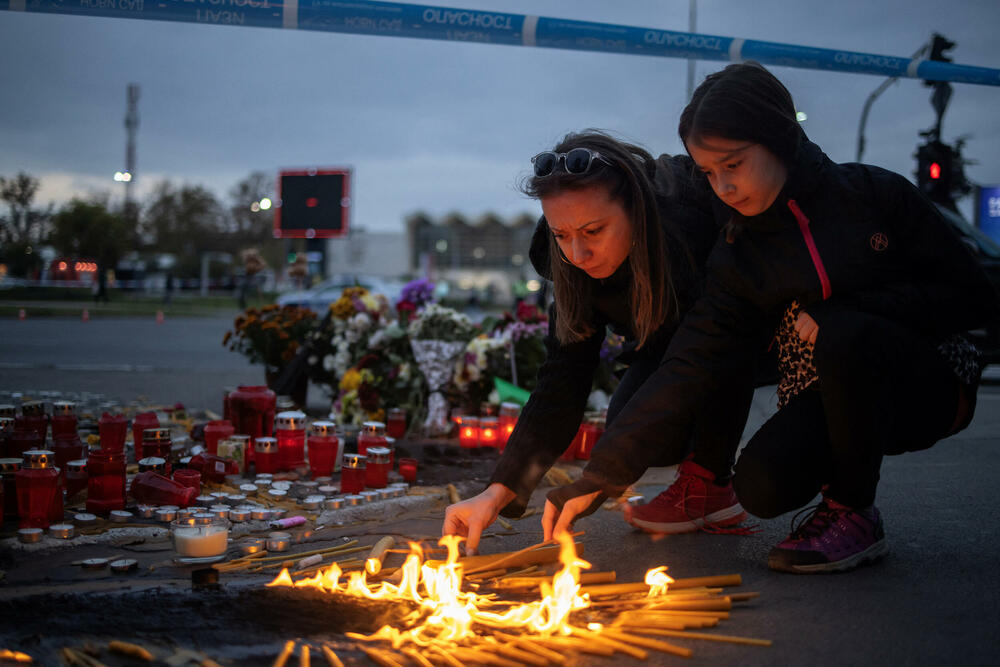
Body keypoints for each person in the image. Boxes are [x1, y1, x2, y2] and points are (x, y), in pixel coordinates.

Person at [544, 62, 999, 573]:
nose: (723, 188)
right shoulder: (741, 253)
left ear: (779, 137)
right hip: (829, 397)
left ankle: (854, 512)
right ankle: (816, 484)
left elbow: (975, 297)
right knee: (761, 487)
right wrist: (600, 477)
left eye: (733, 165)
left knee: (842, 332)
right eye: (709, 172)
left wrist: (859, 310)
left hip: (928, 386)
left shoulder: (875, 195)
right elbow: (692, 360)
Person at [443, 130, 758, 554]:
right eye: (561, 234)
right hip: (670, 347)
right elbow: (562, 377)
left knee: (766, 481)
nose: (578, 253)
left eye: (594, 230)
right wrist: (500, 489)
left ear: (636, 210)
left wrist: (602, 477)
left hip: (756, 332)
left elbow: (699, 361)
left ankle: (710, 481)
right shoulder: (569, 260)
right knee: (631, 426)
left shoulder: (688, 230)